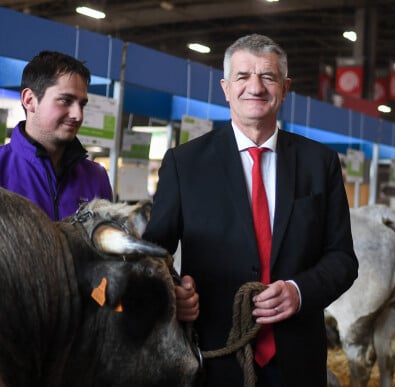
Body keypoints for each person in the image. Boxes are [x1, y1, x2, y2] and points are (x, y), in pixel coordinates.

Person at [143, 34, 358, 387]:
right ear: (226, 88)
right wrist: (172, 296)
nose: (255, 87)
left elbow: (343, 259)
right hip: (214, 357)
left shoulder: (320, 163)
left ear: (285, 88)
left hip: (298, 361)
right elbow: (154, 255)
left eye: (268, 77)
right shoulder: (185, 163)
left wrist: (298, 291)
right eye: (243, 77)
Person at [0, 51, 112, 220]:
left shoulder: (96, 178)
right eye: (65, 100)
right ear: (29, 100)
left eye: (82, 104)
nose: (78, 115)